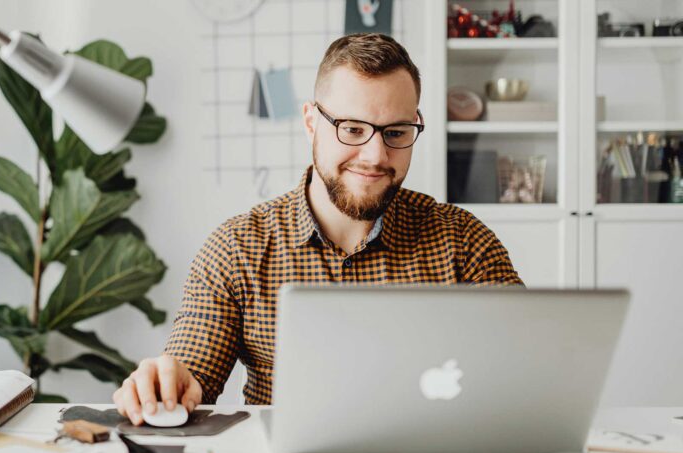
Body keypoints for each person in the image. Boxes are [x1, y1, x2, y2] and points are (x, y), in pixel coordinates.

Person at [113, 33, 523, 425]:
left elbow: (528, 367)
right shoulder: (238, 247)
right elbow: (192, 372)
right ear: (311, 121)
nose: (376, 155)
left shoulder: (464, 241)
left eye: (396, 133)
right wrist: (167, 384)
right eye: (352, 129)